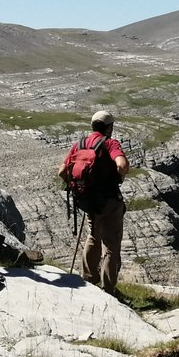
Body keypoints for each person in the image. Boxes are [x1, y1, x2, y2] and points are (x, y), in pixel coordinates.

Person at [59, 110, 129, 294]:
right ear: (109, 127)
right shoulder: (109, 143)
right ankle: (108, 288)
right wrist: (119, 178)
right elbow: (121, 164)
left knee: (93, 236)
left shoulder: (79, 144)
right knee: (111, 244)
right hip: (109, 200)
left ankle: (89, 279)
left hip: (89, 201)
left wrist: (82, 187)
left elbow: (62, 171)